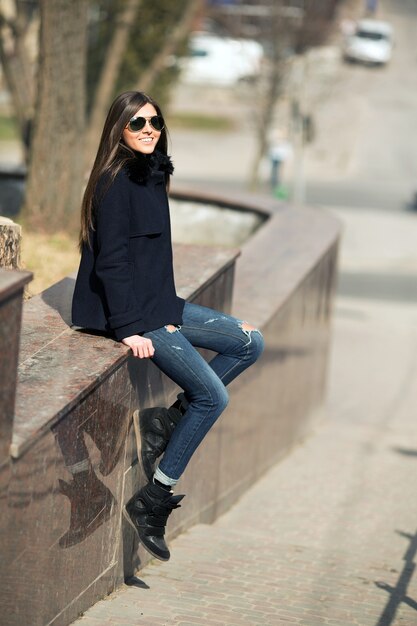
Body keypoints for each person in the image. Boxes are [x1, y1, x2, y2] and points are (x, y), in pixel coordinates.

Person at [71, 91, 264, 562]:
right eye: (136, 122)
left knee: (248, 341)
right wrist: (131, 329)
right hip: (132, 315)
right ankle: (153, 500)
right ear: (118, 129)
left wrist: (188, 315)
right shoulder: (115, 182)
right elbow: (113, 263)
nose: (147, 129)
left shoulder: (152, 174)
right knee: (213, 397)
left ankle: (164, 422)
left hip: (159, 305)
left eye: (154, 122)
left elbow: (152, 261)